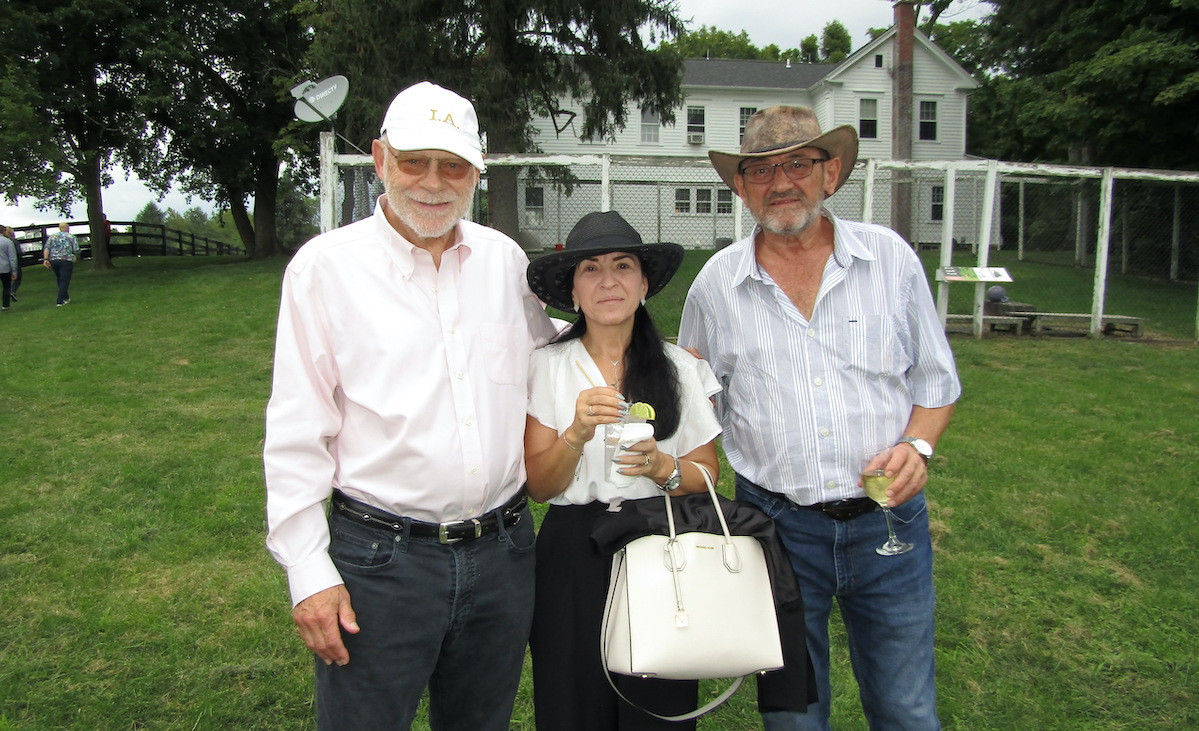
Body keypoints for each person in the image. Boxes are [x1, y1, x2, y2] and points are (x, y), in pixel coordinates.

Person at [263, 80, 558, 731]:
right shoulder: (325, 269)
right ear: (378, 159)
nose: (433, 182)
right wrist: (308, 570)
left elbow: (552, 364)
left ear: (476, 171)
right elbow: (294, 434)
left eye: (452, 164)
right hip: (380, 563)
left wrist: (632, 342)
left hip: (503, 552)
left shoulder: (503, 261)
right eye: (413, 161)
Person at [679, 106, 961, 730]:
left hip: (890, 523)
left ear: (830, 174)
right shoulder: (716, 286)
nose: (781, 182)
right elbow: (692, 399)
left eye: (798, 164)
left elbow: (937, 383)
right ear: (742, 187)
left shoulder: (889, 260)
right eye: (761, 171)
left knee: (907, 707)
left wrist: (918, 445)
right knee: (793, 716)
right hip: (777, 527)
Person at [523, 211, 720, 729]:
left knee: (657, 704)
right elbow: (540, 487)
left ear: (644, 282)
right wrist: (575, 435)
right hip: (573, 552)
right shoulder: (547, 366)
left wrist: (663, 467)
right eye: (590, 269)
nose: (608, 281)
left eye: (623, 265)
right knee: (572, 699)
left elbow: (708, 475)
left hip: (660, 545)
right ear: (573, 289)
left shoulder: (679, 367)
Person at [43, 222, 80, 306]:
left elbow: (47, 248)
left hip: (54, 260)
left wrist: (46, 259)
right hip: (66, 260)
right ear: (67, 228)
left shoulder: (52, 237)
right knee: (64, 280)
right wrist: (76, 256)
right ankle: (60, 300)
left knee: (59, 278)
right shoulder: (71, 236)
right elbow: (76, 249)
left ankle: (66, 297)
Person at [0, 226, 17, 311]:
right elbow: (12, 257)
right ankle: (5, 305)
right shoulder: (8, 242)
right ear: (3, 231)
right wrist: (14, 271)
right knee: (6, 286)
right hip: (4, 268)